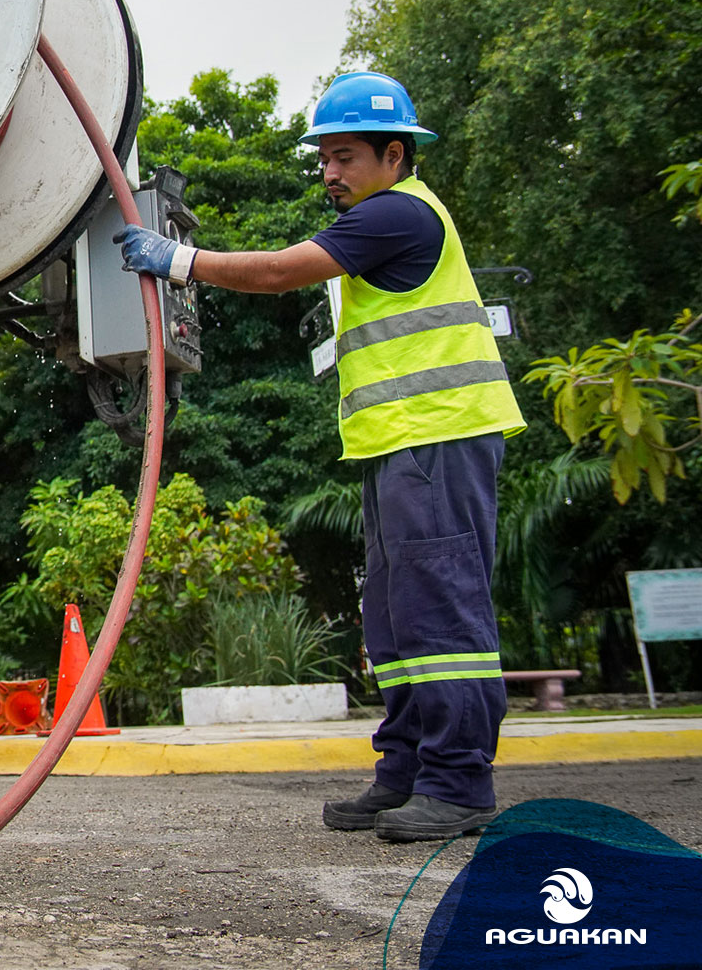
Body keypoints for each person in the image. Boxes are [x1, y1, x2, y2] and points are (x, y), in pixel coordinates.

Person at [114, 71, 526, 843]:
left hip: (438, 436)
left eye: (345, 157)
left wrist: (176, 261)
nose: (331, 174)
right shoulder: (385, 216)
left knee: (441, 614)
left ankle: (458, 783)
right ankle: (404, 775)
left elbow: (277, 271)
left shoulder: (397, 214)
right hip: (400, 446)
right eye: (325, 160)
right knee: (396, 621)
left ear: (394, 154)